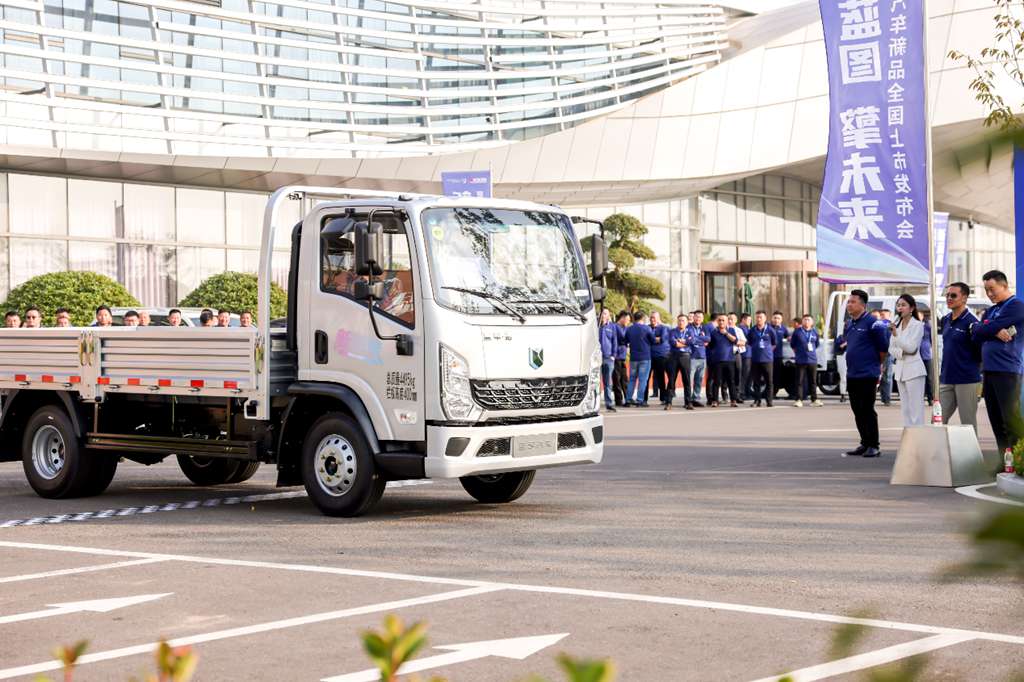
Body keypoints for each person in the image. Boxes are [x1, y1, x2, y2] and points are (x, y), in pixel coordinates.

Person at [971, 269, 1024, 455]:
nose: (989, 294)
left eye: (992, 289)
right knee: (995, 420)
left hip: (1007, 370)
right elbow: (975, 333)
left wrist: (987, 328)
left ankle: (1018, 461)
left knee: (1010, 419)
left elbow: (982, 328)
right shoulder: (991, 310)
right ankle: (1005, 460)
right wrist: (993, 330)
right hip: (989, 370)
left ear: (1004, 285)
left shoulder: (1016, 306)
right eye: (986, 290)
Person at [841, 290, 890, 457]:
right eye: (848, 302)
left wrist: (876, 365)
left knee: (867, 409)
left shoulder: (873, 322)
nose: (849, 305)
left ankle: (874, 445)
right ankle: (864, 442)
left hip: (868, 373)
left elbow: (883, 348)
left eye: (852, 302)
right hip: (852, 373)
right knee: (857, 410)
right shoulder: (850, 323)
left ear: (862, 305)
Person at [938, 282, 981, 434]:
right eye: (947, 295)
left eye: (953, 295)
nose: (949, 298)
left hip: (967, 379)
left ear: (964, 298)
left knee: (968, 423)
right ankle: (938, 449)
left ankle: (973, 450)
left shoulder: (972, 322)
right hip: (946, 378)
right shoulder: (945, 319)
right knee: (937, 420)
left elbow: (979, 352)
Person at [889, 294, 926, 426]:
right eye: (898, 305)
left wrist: (896, 336)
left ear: (912, 308)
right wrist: (901, 352)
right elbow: (890, 349)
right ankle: (908, 435)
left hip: (914, 371)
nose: (900, 308)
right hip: (900, 371)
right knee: (905, 409)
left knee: (916, 408)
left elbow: (912, 348)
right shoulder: (896, 325)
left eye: (903, 305)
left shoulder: (917, 325)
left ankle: (919, 436)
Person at [706, 313, 739, 407]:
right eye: (719, 320)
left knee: (731, 381)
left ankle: (733, 400)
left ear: (727, 321)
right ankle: (715, 401)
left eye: (723, 320)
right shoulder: (713, 332)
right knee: (716, 382)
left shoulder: (731, 330)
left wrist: (726, 333)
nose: (721, 322)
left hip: (730, 360)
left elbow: (735, 341)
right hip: (717, 361)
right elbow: (710, 346)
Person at [791, 314, 823, 407]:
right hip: (801, 360)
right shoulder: (797, 332)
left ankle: (814, 399)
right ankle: (798, 400)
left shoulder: (814, 332)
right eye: (805, 319)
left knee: (813, 381)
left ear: (812, 322)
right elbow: (793, 344)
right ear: (802, 321)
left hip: (812, 360)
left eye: (809, 320)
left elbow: (816, 344)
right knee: (799, 381)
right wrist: (799, 353)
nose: (807, 321)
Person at [624, 311, 655, 407]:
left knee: (632, 379)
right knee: (642, 380)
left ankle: (628, 399)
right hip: (645, 357)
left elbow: (626, 341)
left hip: (633, 357)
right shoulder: (647, 328)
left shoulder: (629, 329)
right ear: (643, 318)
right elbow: (653, 340)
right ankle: (640, 400)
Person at [666, 313, 694, 410]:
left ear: (687, 322)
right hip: (674, 357)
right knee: (671, 380)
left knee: (686, 380)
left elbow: (691, 341)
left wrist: (682, 342)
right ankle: (668, 402)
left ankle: (688, 402)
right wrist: (685, 342)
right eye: (679, 320)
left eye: (683, 320)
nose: (681, 322)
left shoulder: (690, 331)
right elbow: (673, 343)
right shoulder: (672, 331)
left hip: (685, 357)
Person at [748, 310, 776, 407]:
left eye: (761, 317)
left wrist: (767, 352)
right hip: (755, 359)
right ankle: (757, 400)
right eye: (757, 317)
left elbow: (774, 343)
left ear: (765, 318)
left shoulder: (770, 330)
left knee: (769, 381)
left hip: (767, 360)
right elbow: (749, 342)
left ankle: (769, 400)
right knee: (756, 381)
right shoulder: (752, 330)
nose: (759, 319)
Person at [647, 312, 671, 407]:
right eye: (651, 317)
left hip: (661, 356)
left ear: (658, 318)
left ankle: (663, 398)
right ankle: (643, 399)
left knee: (661, 378)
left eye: (654, 317)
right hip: (649, 356)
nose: (652, 319)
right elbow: (646, 339)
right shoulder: (647, 328)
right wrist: (655, 339)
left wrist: (652, 339)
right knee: (646, 378)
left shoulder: (663, 328)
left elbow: (662, 339)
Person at [598, 308, 618, 412]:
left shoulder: (612, 327)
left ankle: (609, 404)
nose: (603, 315)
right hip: (596, 358)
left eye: (605, 313)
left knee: (608, 383)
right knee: (595, 383)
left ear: (608, 315)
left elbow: (615, 341)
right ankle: (594, 405)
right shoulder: (595, 326)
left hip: (608, 358)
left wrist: (613, 355)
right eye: (601, 313)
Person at [687, 311, 709, 407]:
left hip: (702, 357)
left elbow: (708, 339)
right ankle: (688, 399)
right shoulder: (688, 328)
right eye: (696, 317)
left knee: (699, 380)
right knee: (689, 379)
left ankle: (695, 398)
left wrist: (697, 339)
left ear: (702, 319)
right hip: (692, 357)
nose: (698, 319)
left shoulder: (705, 328)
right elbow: (691, 340)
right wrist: (702, 339)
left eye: (700, 317)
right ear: (693, 317)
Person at [770, 311, 790, 400]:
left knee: (777, 375)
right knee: (769, 375)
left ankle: (774, 393)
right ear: (772, 318)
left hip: (778, 356)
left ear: (781, 320)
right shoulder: (768, 327)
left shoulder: (783, 329)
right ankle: (768, 393)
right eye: (775, 318)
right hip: (768, 356)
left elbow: (788, 337)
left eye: (778, 318)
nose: (776, 320)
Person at [728, 313, 747, 404]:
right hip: (726, 355)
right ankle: (725, 396)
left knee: (737, 374)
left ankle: (737, 395)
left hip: (736, 354)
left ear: (736, 320)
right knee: (726, 375)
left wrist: (736, 341)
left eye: (732, 319)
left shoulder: (739, 330)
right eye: (729, 319)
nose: (730, 321)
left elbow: (743, 342)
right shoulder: (724, 330)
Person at [878, 308, 894, 405]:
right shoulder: (879, 325)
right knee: (883, 376)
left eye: (884, 314)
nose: (882, 316)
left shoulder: (890, 326)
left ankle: (886, 399)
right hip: (881, 353)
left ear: (889, 315)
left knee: (887, 376)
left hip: (888, 353)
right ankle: (884, 398)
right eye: (881, 315)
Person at [612, 311, 629, 407]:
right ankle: (618, 400)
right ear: (622, 318)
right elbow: (623, 338)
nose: (628, 322)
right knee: (617, 379)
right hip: (616, 356)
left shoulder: (624, 328)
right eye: (627, 320)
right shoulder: (615, 327)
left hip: (622, 356)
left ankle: (627, 398)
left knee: (624, 378)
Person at [738, 312, 753, 399]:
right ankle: (741, 393)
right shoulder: (740, 328)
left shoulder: (747, 328)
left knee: (749, 374)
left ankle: (747, 392)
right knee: (744, 374)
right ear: (743, 319)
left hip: (750, 354)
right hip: (744, 354)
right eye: (749, 320)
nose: (750, 322)